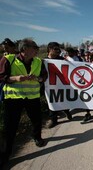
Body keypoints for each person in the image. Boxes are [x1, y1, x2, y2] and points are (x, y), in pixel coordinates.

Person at [0, 39, 48, 167]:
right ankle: (5, 153)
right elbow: (1, 76)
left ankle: (37, 137)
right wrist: (15, 78)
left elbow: (44, 76)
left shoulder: (38, 61)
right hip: (13, 99)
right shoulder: (8, 59)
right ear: (24, 49)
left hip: (32, 98)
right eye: (34, 47)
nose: (37, 50)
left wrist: (38, 78)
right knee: (10, 126)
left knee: (37, 119)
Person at [45, 42, 73, 128]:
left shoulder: (61, 59)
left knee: (63, 99)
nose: (58, 51)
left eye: (59, 49)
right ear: (50, 49)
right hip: (50, 86)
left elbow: (72, 65)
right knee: (52, 102)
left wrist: (68, 58)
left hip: (61, 85)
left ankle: (67, 111)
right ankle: (53, 119)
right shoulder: (44, 61)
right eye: (55, 49)